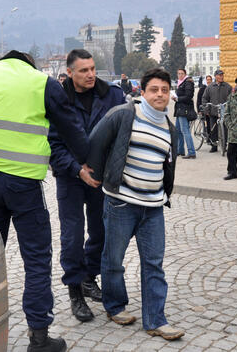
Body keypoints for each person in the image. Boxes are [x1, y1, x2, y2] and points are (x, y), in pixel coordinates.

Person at [0, 50, 91, 352]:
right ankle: (38, 339)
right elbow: (73, 133)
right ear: (29, 64)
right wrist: (91, 161)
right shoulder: (42, 83)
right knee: (36, 261)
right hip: (24, 186)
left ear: (4, 63)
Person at [87, 68, 185, 341]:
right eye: (154, 89)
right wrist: (97, 177)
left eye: (164, 90)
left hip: (153, 207)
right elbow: (95, 142)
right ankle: (115, 306)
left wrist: (166, 193)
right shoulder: (124, 114)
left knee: (154, 264)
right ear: (143, 92)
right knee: (114, 259)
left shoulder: (170, 129)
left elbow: (167, 166)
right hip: (120, 203)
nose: (160, 94)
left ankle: (155, 320)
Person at [49, 48, 125, 323]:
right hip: (70, 177)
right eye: (84, 70)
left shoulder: (112, 94)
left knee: (101, 232)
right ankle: (75, 293)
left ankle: (89, 277)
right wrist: (76, 169)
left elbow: (124, 132)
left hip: (101, 177)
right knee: (72, 236)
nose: (91, 74)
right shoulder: (57, 98)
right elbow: (53, 144)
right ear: (70, 73)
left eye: (93, 68)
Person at [202, 69, 232, 152]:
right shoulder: (210, 87)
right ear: (215, 76)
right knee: (213, 129)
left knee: (225, 129)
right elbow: (204, 98)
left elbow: (232, 98)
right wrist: (207, 109)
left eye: (222, 75)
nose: (221, 76)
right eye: (220, 75)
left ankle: (224, 145)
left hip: (224, 112)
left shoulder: (227, 86)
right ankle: (214, 145)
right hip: (213, 111)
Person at [172, 68, 196, 159]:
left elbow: (189, 96)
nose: (180, 75)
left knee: (185, 131)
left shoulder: (188, 82)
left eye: (182, 73)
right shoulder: (180, 83)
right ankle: (180, 150)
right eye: (178, 73)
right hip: (179, 109)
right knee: (178, 131)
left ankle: (191, 152)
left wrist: (177, 99)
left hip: (184, 110)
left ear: (185, 74)